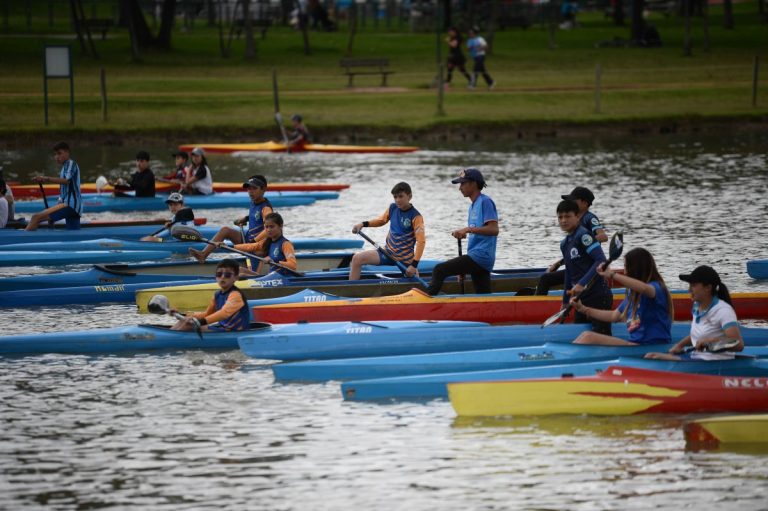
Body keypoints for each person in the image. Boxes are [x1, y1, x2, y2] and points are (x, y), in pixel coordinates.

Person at [571, 247, 673, 345]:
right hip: (636, 344)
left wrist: (612, 275)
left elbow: (644, 289)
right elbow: (613, 316)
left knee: (588, 337)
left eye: (626, 267)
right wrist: (583, 309)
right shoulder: (632, 293)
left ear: (636, 269)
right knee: (585, 335)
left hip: (652, 346)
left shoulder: (657, 288)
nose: (625, 272)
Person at [645, 265, 744, 360]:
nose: (689, 290)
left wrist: (710, 341)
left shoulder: (723, 310)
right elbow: (696, 334)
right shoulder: (697, 306)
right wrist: (680, 345)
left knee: (653, 357)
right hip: (697, 358)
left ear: (708, 288)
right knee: (650, 356)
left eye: (693, 286)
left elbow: (738, 344)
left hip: (715, 362)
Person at [426, 168, 498, 295]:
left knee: (439, 269)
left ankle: (425, 302)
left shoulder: (485, 202)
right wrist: (464, 268)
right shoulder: (472, 206)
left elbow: (494, 229)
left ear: (474, 183)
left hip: (481, 256)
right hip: (477, 257)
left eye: (463, 183)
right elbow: (478, 234)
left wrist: (467, 229)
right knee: (484, 296)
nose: (460, 188)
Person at [536, 186, 607, 295]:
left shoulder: (590, 218)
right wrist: (559, 263)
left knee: (545, 279)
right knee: (546, 278)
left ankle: (536, 305)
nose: (569, 203)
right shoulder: (570, 232)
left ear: (584, 203)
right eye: (560, 217)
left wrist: (585, 242)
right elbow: (575, 251)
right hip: (578, 265)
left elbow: (603, 236)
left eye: (573, 200)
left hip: (589, 268)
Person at [556, 198, 613, 334]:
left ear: (577, 217)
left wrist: (581, 283)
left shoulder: (583, 236)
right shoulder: (564, 244)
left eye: (568, 216)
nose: (563, 220)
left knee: (601, 337)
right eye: (560, 217)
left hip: (598, 296)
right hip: (580, 300)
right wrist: (564, 301)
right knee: (582, 337)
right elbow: (569, 273)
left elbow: (600, 260)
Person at [350, 182, 426, 281]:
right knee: (357, 259)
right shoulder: (393, 208)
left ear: (409, 196)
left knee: (415, 283)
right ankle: (352, 291)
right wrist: (363, 224)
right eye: (395, 197)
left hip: (405, 260)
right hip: (387, 253)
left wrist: (414, 265)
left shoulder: (416, 217)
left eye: (401, 196)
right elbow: (381, 221)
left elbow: (421, 241)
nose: (398, 200)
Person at [190, 174, 272, 264]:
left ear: (263, 189)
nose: (250, 192)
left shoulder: (266, 208)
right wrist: (246, 218)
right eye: (249, 188)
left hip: (258, 246)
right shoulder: (254, 201)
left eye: (254, 188)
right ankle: (203, 254)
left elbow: (268, 230)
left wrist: (253, 241)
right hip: (249, 239)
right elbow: (257, 216)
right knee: (225, 230)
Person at [171, 259, 251, 332]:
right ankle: (170, 334)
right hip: (223, 328)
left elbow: (224, 313)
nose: (222, 277)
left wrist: (200, 322)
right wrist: (183, 315)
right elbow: (207, 314)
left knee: (189, 324)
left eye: (227, 275)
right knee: (184, 321)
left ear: (236, 278)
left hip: (236, 331)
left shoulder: (236, 295)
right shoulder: (217, 294)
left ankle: (169, 337)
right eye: (219, 274)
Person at [25, 141, 82, 231]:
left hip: (70, 205)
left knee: (35, 218)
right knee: (73, 234)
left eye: (59, 153)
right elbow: (65, 190)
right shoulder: (65, 167)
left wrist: (46, 178)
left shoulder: (71, 164)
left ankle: (25, 241)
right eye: (55, 154)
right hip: (73, 207)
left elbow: (66, 181)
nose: (56, 157)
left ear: (67, 152)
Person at [230, 212, 297, 277]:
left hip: (283, 277)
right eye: (266, 227)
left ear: (281, 226)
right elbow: (250, 246)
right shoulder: (268, 242)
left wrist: (274, 261)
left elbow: (293, 265)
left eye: (271, 227)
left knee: (242, 275)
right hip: (271, 277)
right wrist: (231, 246)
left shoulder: (286, 244)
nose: (268, 230)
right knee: (239, 270)